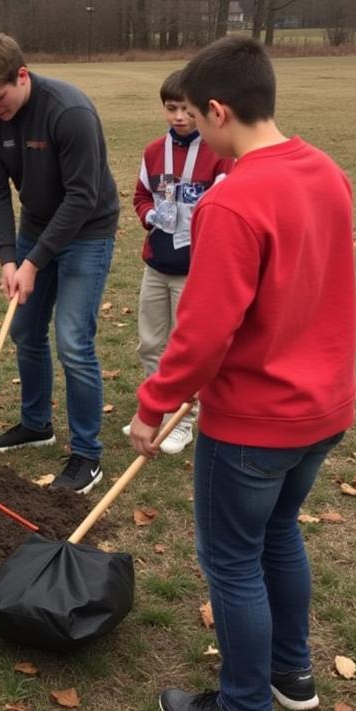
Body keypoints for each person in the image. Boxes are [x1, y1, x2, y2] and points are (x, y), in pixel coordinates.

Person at [128, 36, 356, 711]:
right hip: (322, 413)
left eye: (199, 114)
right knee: (279, 534)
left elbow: (202, 331)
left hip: (257, 422)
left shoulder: (232, 201)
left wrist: (154, 403)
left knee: (231, 559)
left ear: (219, 111)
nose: (197, 127)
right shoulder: (325, 171)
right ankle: (292, 673)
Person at [0, 31, 119, 494]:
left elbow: (82, 197)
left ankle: (87, 455)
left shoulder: (68, 113)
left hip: (87, 230)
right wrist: (10, 258)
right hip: (35, 226)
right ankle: (36, 424)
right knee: (25, 330)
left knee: (73, 340)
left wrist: (35, 261)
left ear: (22, 76)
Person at [122, 69, 232, 454]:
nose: (179, 117)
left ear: (202, 110)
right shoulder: (154, 152)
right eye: (172, 109)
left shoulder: (219, 153)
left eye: (187, 109)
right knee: (151, 343)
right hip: (157, 263)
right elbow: (140, 195)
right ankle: (159, 411)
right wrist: (151, 215)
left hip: (194, 270)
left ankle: (182, 420)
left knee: (184, 349)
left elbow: (224, 207)